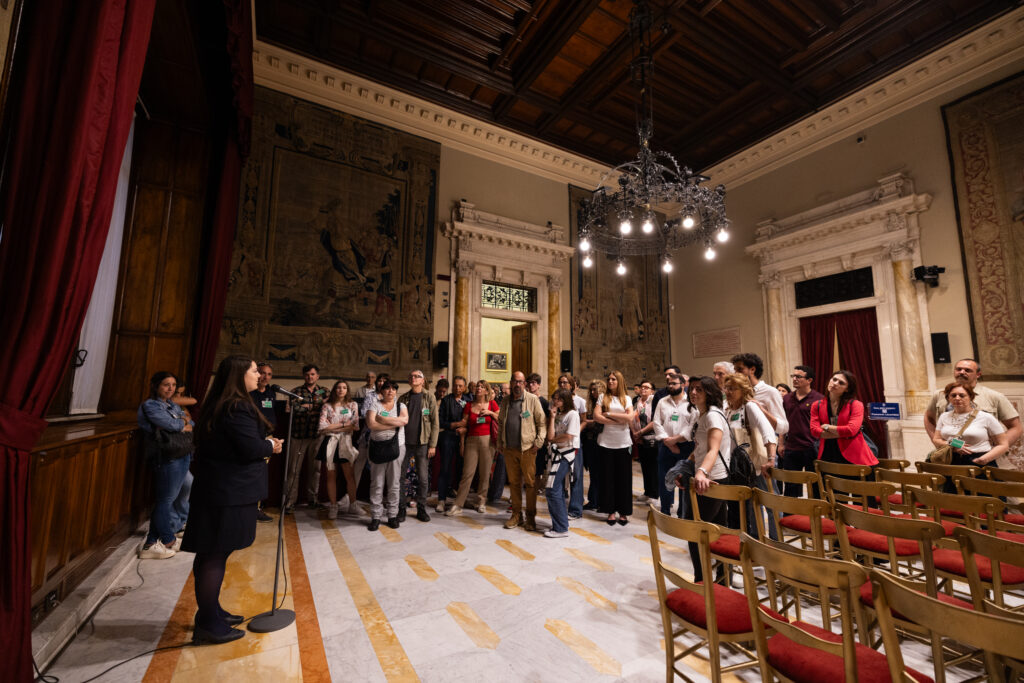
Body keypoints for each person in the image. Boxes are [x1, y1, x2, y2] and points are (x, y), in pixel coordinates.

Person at [182, 356, 282, 644]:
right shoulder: (237, 407)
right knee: (214, 553)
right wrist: (270, 446)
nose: (258, 375)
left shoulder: (224, 403)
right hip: (228, 492)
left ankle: (211, 612)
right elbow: (249, 447)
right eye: (254, 371)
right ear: (239, 375)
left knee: (214, 553)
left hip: (220, 489)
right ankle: (209, 624)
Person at [668, 376, 730, 583]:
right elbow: (699, 449)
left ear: (710, 393)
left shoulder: (713, 416)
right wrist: (686, 468)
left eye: (700, 390)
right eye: (692, 389)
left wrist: (702, 472)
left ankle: (701, 581)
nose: (693, 393)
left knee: (695, 531)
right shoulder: (700, 414)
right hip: (704, 476)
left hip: (714, 479)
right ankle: (722, 579)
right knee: (718, 530)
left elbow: (714, 449)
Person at [137, 371, 195, 559]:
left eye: (173, 385)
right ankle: (161, 540)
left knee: (186, 486)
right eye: (166, 385)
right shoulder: (150, 405)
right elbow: (172, 425)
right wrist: (181, 422)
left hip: (182, 452)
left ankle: (162, 536)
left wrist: (181, 422)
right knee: (165, 500)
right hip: (166, 455)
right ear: (156, 386)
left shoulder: (171, 404)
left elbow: (191, 423)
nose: (171, 389)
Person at [723, 373, 779, 539]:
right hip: (740, 467)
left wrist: (771, 459)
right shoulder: (727, 410)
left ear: (743, 390)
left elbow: (767, 431)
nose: (728, 392)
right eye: (727, 388)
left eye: (733, 388)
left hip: (759, 463)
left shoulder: (750, 407)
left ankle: (776, 542)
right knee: (751, 504)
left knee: (770, 503)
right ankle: (756, 539)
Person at [924, 358, 1022, 449]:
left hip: (981, 453)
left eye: (967, 370)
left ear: (978, 374)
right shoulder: (940, 394)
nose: (962, 372)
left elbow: (1016, 427)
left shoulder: (994, 396)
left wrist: (996, 449)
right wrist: (939, 443)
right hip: (949, 451)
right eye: (958, 369)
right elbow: (929, 418)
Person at [932, 382, 1009, 492]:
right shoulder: (944, 417)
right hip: (952, 462)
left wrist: (984, 459)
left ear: (970, 397)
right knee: (954, 499)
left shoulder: (986, 417)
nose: (957, 398)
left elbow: (1003, 444)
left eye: (962, 395)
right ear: (948, 398)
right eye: (953, 395)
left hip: (979, 461)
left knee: (984, 498)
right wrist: (953, 445)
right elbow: (936, 439)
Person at [495, 371, 546, 531]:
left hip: (528, 449)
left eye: (520, 382)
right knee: (514, 483)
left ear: (524, 384)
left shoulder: (532, 400)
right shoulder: (505, 401)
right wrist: (500, 442)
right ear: (511, 383)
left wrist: (539, 442)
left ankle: (530, 517)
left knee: (530, 484)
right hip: (510, 449)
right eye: (515, 381)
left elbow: (542, 423)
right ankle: (516, 515)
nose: (517, 384)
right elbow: (501, 422)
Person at [810, 370, 878, 471]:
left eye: (841, 383)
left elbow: (851, 430)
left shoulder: (856, 405)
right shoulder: (817, 405)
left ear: (847, 389)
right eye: (834, 379)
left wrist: (826, 426)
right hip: (827, 453)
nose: (835, 383)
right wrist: (843, 433)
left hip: (854, 455)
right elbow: (814, 431)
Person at [448, 379, 499, 515]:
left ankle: (481, 502)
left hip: (488, 441)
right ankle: (458, 504)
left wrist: (490, 413)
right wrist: (454, 427)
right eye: (477, 386)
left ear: (487, 391)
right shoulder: (469, 405)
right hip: (471, 440)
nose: (478, 388)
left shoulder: (492, 404)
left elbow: (500, 418)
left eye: (482, 387)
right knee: (467, 474)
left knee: (485, 473)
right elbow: (465, 422)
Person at [397, 369, 439, 522]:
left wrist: (432, 445)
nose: (413, 378)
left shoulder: (429, 397)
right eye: (411, 376)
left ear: (423, 380)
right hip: (404, 443)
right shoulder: (403, 398)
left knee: (423, 478)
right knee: (400, 477)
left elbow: (435, 423)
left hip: (422, 443)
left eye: (417, 376)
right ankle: (401, 509)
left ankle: (421, 509)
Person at [285, 364, 328, 511]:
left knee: (316, 469)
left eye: (312, 374)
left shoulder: (324, 390)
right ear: (303, 376)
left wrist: (307, 405)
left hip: (317, 436)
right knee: (293, 470)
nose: (310, 377)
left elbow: (326, 407)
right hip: (298, 435)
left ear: (318, 376)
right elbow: (294, 408)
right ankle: (290, 502)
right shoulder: (296, 391)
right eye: (307, 374)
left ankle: (313, 499)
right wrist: (315, 405)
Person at [366, 380, 408, 530]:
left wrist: (382, 419)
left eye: (393, 389)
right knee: (377, 484)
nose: (390, 391)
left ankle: (392, 515)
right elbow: (371, 424)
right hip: (377, 448)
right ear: (382, 391)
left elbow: (404, 420)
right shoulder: (374, 405)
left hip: (397, 447)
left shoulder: (401, 406)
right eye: (387, 388)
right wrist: (393, 423)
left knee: (394, 484)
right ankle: (376, 516)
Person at [595, 370, 635, 526]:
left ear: (619, 381)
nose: (610, 381)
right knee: (607, 478)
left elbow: (630, 417)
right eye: (609, 379)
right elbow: (597, 416)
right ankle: (610, 511)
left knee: (623, 479)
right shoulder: (602, 397)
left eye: (614, 379)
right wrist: (619, 420)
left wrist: (609, 414)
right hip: (605, 442)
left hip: (623, 443)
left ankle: (623, 512)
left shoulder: (627, 398)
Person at [652, 372, 696, 517]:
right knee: (665, 479)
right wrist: (668, 441)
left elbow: (692, 425)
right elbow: (657, 423)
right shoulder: (662, 401)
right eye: (669, 384)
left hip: (685, 447)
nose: (670, 386)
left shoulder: (691, 402)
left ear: (683, 385)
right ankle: (665, 511)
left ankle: (682, 513)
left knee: (684, 480)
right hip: (666, 446)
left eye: (674, 384)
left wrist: (676, 439)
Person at [779, 365, 824, 498]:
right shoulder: (787, 399)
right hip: (791, 448)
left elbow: (823, 424)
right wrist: (781, 444)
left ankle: (816, 511)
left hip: (812, 447)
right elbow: (783, 422)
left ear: (809, 380)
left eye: (798, 376)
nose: (794, 379)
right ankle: (791, 511)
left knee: (816, 487)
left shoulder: (819, 399)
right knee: (790, 488)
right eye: (793, 376)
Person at [317, 380, 359, 519]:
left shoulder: (352, 405)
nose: (341, 390)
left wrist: (332, 426)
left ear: (347, 390)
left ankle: (353, 505)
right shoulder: (327, 406)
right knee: (331, 475)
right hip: (330, 441)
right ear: (335, 390)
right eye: (338, 387)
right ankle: (333, 506)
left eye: (344, 387)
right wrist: (343, 424)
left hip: (346, 441)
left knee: (349, 475)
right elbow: (322, 427)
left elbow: (355, 425)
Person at [544, 388, 580, 538]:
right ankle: (560, 524)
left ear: (565, 400)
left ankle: (561, 528)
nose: (555, 401)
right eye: (554, 398)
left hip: (566, 454)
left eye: (558, 399)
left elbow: (569, 436)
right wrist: (552, 417)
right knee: (554, 489)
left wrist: (553, 440)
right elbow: (550, 436)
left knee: (552, 488)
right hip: (556, 453)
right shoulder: (558, 415)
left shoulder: (573, 414)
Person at [249, 362, 280, 522]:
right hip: (253, 437)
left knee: (261, 473)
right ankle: (250, 508)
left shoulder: (271, 393)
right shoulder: (250, 393)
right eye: (262, 373)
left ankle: (257, 508)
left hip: (267, 437)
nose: (265, 377)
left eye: (269, 374)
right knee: (252, 472)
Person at [731, 352, 788, 436]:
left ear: (752, 369)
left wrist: (761, 410)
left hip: (763, 441)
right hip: (739, 441)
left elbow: (783, 428)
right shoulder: (736, 392)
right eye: (735, 370)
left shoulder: (770, 392)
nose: (736, 374)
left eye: (740, 369)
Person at [436, 376, 468, 513]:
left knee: (462, 469)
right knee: (445, 468)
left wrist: (464, 428)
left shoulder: (468, 400)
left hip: (464, 438)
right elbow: (441, 422)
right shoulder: (446, 400)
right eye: (455, 385)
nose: (457, 388)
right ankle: (441, 500)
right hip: (448, 437)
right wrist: (456, 424)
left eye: (460, 386)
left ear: (464, 388)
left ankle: (459, 501)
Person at [557, 373, 586, 519]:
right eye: (561, 382)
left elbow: (584, 420)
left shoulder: (579, 401)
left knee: (576, 475)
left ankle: (575, 509)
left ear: (571, 385)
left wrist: (575, 431)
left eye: (565, 382)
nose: (563, 385)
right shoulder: (556, 400)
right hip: (559, 442)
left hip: (574, 442)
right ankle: (560, 507)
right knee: (559, 475)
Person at [631, 380, 659, 503]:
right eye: (642, 387)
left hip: (651, 438)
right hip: (640, 438)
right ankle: (647, 492)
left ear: (652, 391)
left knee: (653, 467)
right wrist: (635, 433)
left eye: (647, 387)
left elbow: (655, 421)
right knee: (645, 466)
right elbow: (632, 418)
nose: (643, 389)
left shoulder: (654, 401)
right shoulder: (637, 402)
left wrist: (640, 432)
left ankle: (654, 494)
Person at [581, 379, 606, 511]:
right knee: (593, 473)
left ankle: (600, 501)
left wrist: (588, 422)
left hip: (601, 442)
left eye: (595, 390)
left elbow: (601, 423)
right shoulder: (590, 405)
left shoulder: (605, 404)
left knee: (601, 473)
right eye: (591, 390)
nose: (592, 392)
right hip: (590, 442)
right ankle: (593, 500)